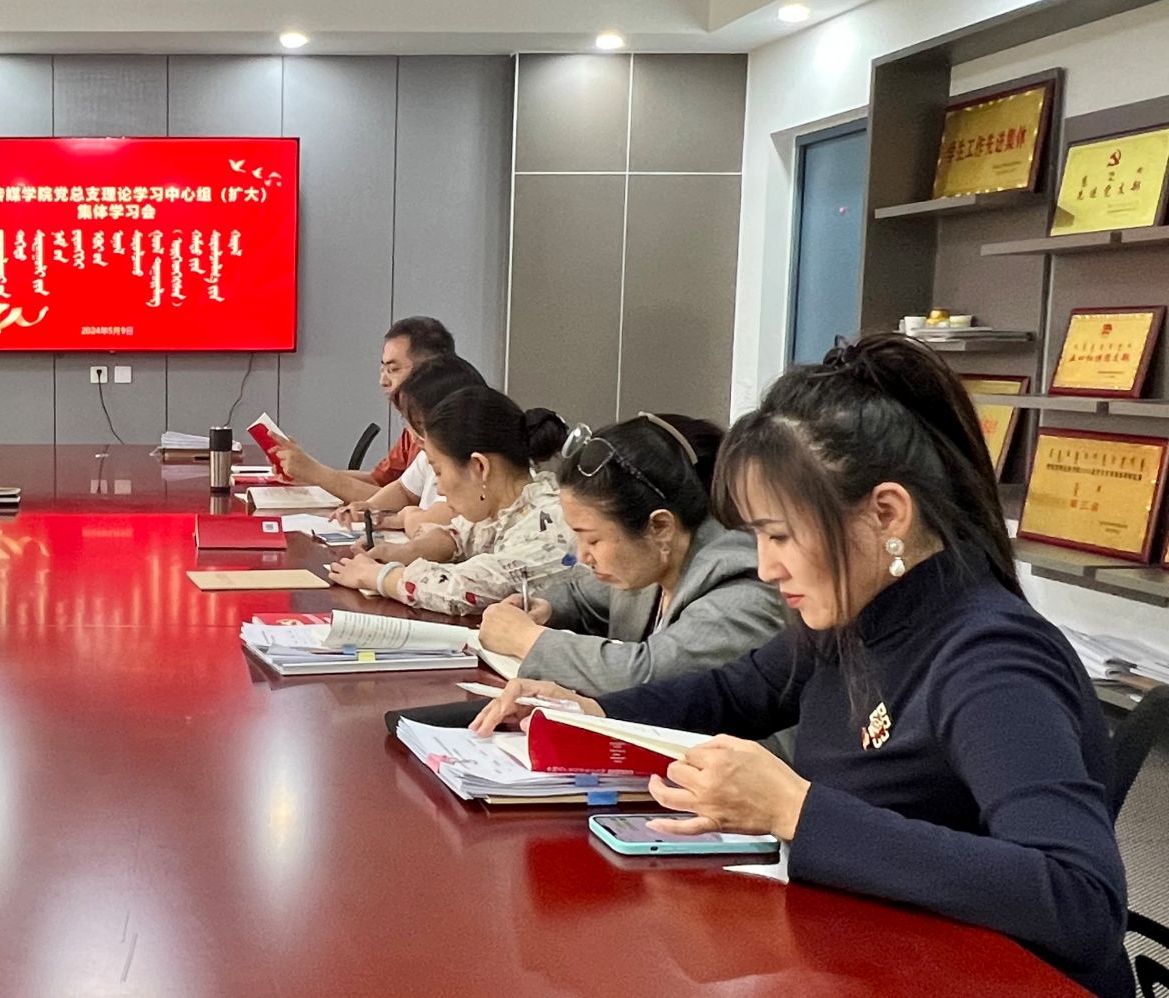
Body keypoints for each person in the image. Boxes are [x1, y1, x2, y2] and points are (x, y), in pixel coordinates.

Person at [474, 336, 1128, 998]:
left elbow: (1081, 901)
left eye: (780, 536)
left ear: (887, 514)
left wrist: (794, 809)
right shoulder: (854, 614)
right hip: (869, 952)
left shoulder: (990, 661)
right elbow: (736, 691)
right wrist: (592, 713)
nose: (765, 567)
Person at [474, 413, 787, 694]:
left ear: (660, 527)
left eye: (593, 540)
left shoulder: (744, 590)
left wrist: (527, 639)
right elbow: (581, 598)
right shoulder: (653, 562)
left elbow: (647, 676)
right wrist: (545, 609)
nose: (582, 556)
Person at [325, 383, 582, 617]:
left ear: (479, 467)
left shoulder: (550, 522)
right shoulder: (506, 506)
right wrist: (404, 552)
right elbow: (457, 535)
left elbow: (465, 590)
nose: (440, 488)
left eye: (438, 471)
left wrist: (381, 577)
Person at [271, 316, 453, 502]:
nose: (383, 381)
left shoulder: (450, 429)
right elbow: (382, 483)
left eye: (393, 370)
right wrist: (308, 474)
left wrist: (316, 473)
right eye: (383, 369)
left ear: (429, 370)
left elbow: (403, 505)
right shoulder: (413, 428)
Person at [336, 354, 487, 555]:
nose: (412, 434)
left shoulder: (466, 465)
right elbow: (404, 489)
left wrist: (406, 517)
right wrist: (371, 507)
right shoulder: (429, 453)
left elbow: (436, 524)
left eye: (419, 424)